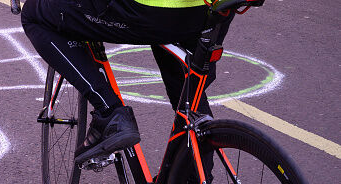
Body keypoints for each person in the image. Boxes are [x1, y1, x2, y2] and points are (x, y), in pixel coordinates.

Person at [21, 0, 232, 164]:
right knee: (188, 95)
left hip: (152, 9)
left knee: (35, 15)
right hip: (215, 9)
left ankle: (109, 111)